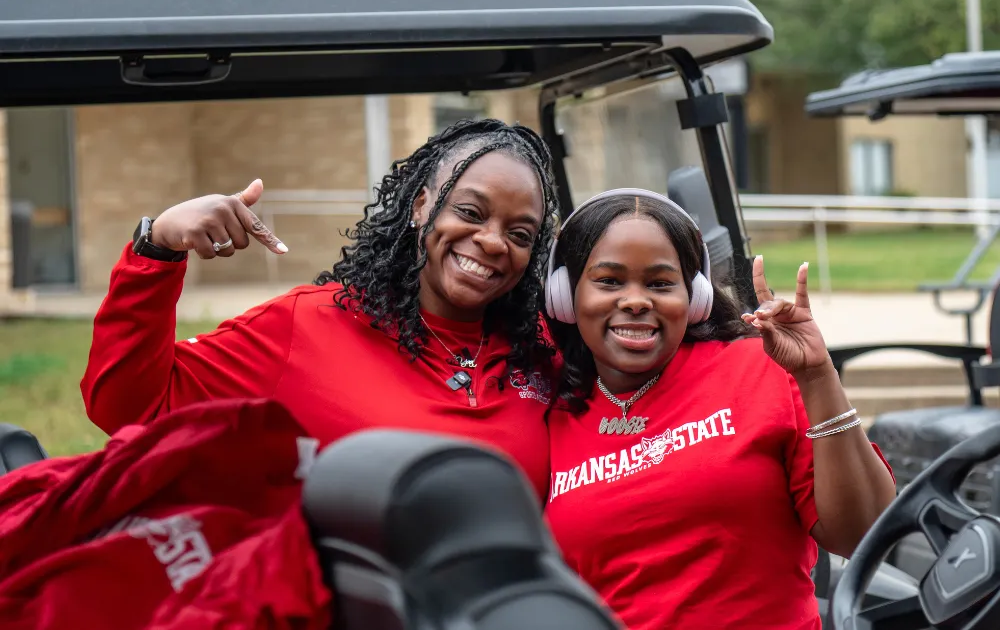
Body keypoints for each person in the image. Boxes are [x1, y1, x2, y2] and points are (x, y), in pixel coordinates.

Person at [80, 118, 560, 503]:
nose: (493, 241)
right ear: (420, 207)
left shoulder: (544, 347)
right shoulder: (306, 327)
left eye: (520, 234)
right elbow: (128, 406)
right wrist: (158, 247)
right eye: (471, 213)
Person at [541, 188, 897, 630]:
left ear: (695, 297)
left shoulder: (759, 368)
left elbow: (865, 535)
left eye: (660, 283)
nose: (636, 300)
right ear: (564, 294)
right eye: (609, 281)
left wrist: (818, 375)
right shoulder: (546, 408)